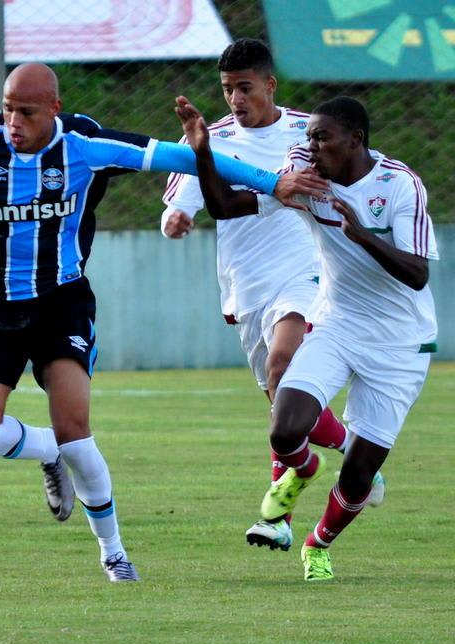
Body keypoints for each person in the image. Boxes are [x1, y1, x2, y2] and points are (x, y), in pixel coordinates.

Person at [0, 63, 323, 581]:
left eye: (27, 111)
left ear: (54, 110)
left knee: (78, 432)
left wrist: (273, 182)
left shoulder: (86, 146)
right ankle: (46, 451)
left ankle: (114, 553)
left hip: (60, 304)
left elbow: (176, 156)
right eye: (7, 109)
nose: (13, 121)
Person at [176, 94, 437, 581]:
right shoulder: (308, 179)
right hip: (337, 324)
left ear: (355, 140)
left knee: (359, 474)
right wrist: (203, 152)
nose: (310, 146)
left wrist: (362, 235)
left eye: (322, 138)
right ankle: (300, 470)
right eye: (309, 137)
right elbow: (224, 205)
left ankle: (318, 545)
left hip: (400, 344)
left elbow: (418, 273)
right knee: (285, 426)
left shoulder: (399, 184)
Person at [160, 39, 385, 552]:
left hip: (309, 270)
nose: (236, 98)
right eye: (226, 89)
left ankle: (279, 513)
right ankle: (342, 458)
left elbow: (344, 177)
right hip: (247, 281)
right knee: (284, 409)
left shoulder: (308, 132)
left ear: (269, 85)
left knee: (286, 366)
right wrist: (177, 218)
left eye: (244, 87)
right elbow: (186, 201)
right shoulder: (208, 139)